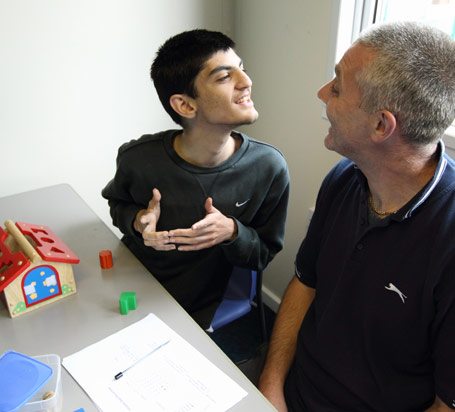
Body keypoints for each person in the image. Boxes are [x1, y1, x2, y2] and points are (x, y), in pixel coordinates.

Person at [259, 22, 455, 412]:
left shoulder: (448, 239)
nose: (320, 94)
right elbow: (305, 282)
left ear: (381, 125)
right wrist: (271, 386)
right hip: (292, 394)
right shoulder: (345, 178)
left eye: (336, 87)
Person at [102, 29, 289, 328]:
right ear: (185, 105)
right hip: (132, 282)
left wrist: (231, 231)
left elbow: (262, 253)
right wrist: (137, 221)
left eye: (242, 69)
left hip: (199, 304)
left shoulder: (268, 167)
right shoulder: (137, 158)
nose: (247, 82)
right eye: (224, 77)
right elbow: (117, 204)